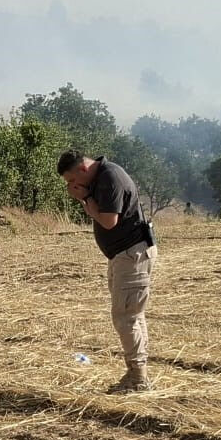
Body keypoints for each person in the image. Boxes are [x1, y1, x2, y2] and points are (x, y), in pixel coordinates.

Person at [57, 150, 155, 392]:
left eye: (72, 180)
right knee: (132, 315)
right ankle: (137, 373)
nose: (72, 186)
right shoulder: (101, 177)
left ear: (83, 169)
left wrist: (85, 198)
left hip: (131, 255)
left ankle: (138, 378)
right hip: (125, 256)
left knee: (126, 316)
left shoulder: (109, 178)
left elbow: (108, 221)